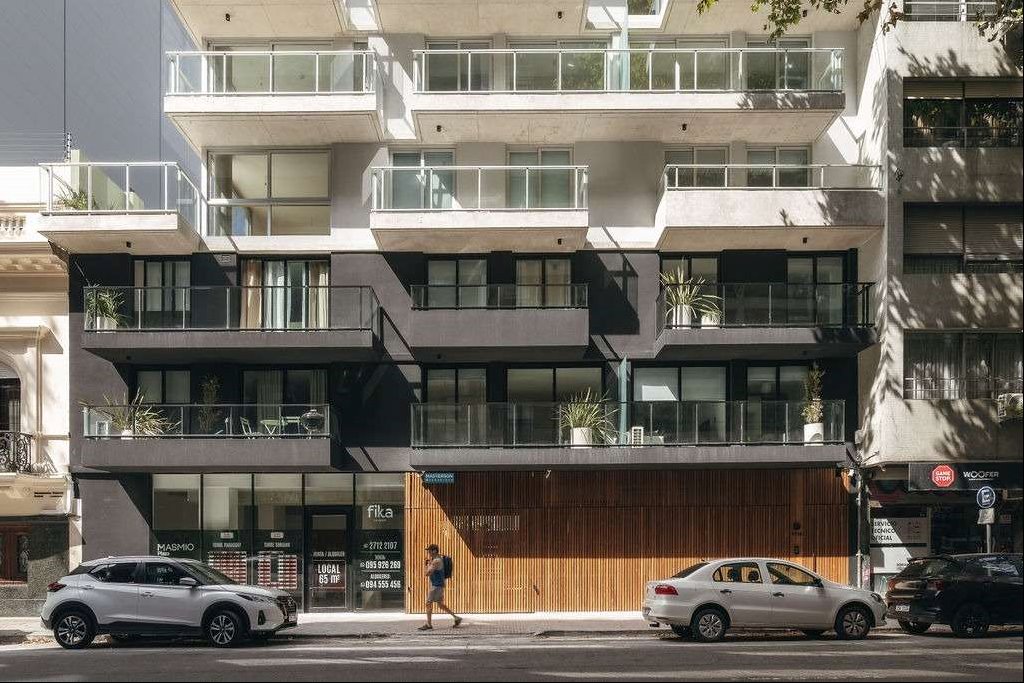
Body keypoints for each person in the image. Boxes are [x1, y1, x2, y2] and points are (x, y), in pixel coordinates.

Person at [419, 544, 461, 630]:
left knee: (428, 603)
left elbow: (428, 573)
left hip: (436, 586)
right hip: (439, 585)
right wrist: (430, 563)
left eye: (429, 551)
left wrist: (426, 565)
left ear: (434, 551)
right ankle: (456, 618)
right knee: (440, 605)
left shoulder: (436, 561)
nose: (428, 552)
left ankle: (429, 625)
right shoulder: (438, 559)